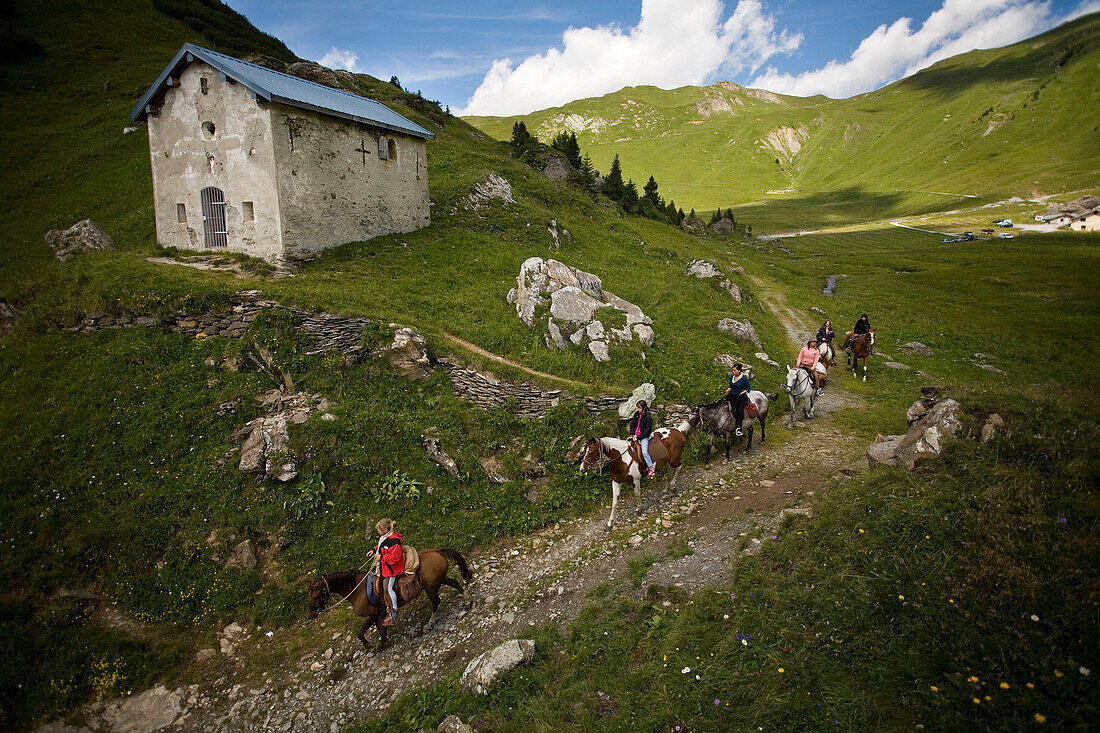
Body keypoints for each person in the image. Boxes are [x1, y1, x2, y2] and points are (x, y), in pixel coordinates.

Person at [368, 518, 404, 626]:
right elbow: (380, 545)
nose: (378, 531)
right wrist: (374, 550)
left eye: (380, 529)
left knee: (388, 588)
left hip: (392, 569)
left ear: (387, 529)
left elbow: (395, 558)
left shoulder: (394, 541)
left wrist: (381, 557)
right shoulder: (384, 536)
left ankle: (394, 611)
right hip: (384, 565)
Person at [627, 400, 655, 479]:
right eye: (637, 407)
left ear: (644, 408)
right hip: (635, 435)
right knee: (626, 446)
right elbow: (632, 424)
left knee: (645, 452)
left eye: (639, 408)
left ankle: (651, 468)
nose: (637, 409)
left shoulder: (648, 417)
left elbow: (648, 430)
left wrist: (638, 437)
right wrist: (632, 433)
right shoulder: (636, 414)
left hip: (643, 437)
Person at [723, 363, 751, 437]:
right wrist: (728, 390)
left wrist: (742, 392)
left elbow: (748, 388)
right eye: (732, 370)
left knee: (739, 410)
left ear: (739, 371)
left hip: (741, 398)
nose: (733, 372)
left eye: (735, 370)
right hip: (732, 396)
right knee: (723, 404)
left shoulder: (744, 378)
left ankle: (739, 428)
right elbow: (731, 386)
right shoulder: (732, 377)